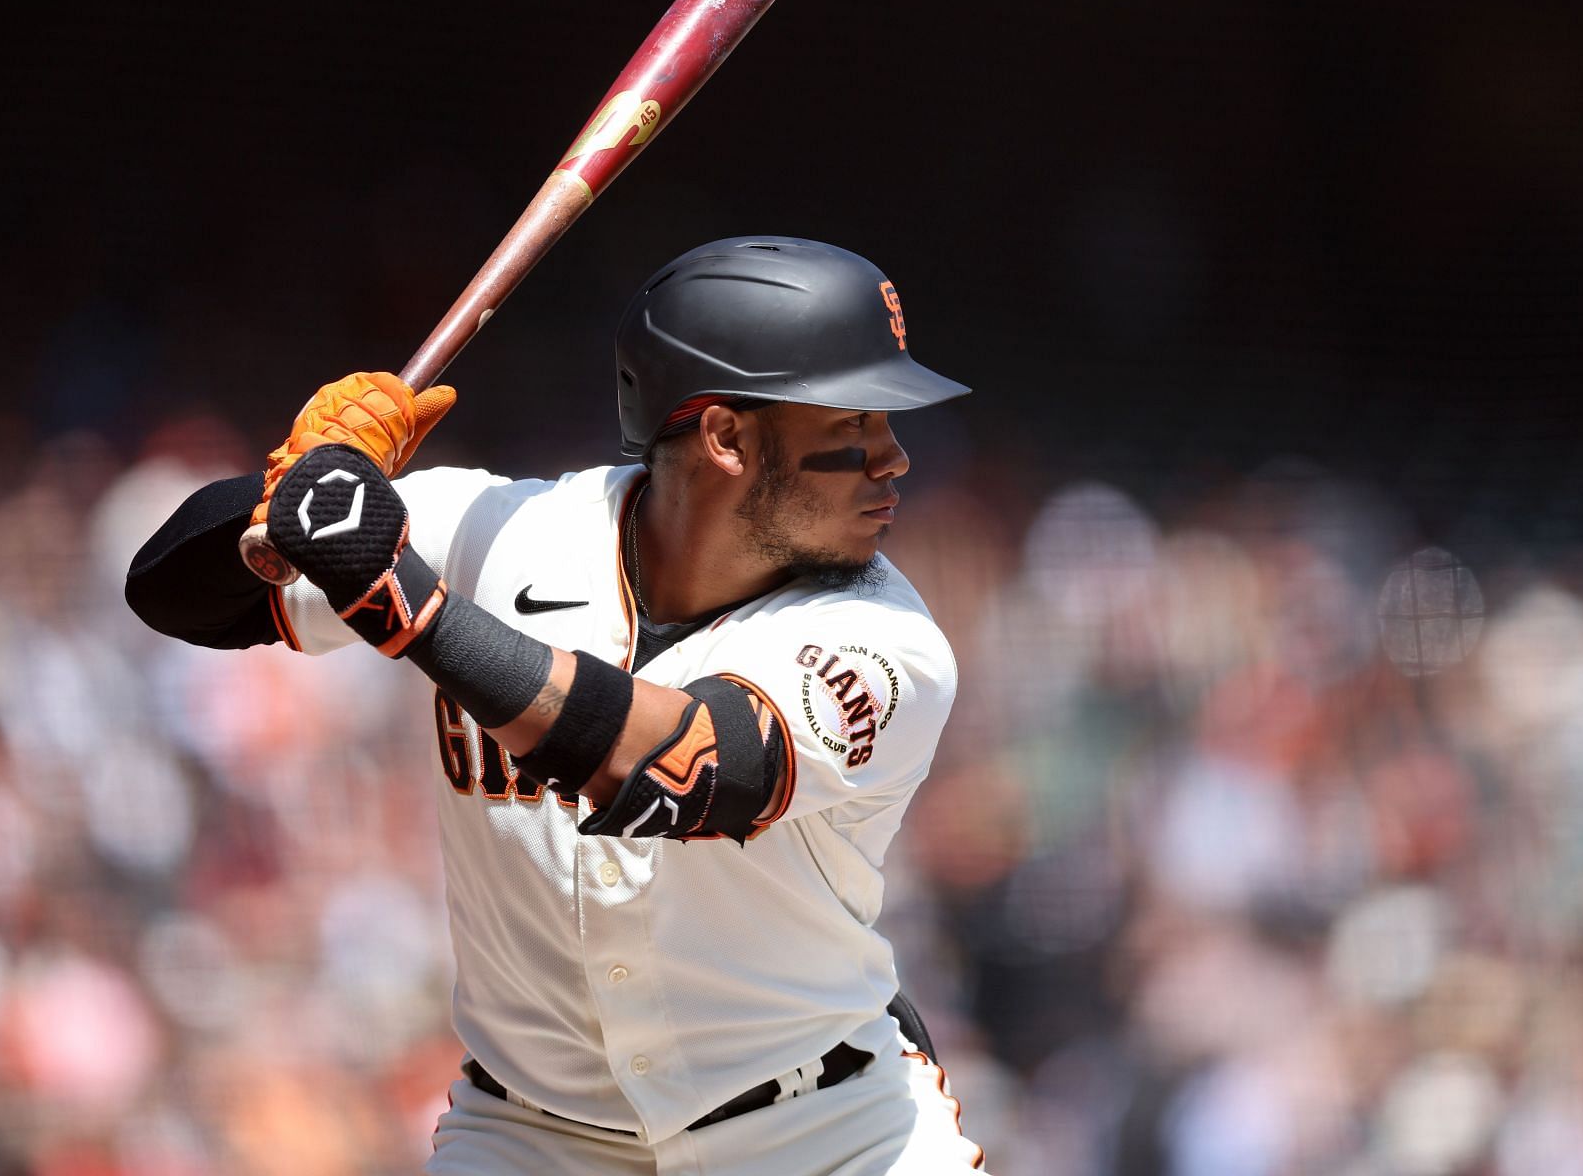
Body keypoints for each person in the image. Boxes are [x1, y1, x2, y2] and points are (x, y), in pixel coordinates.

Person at [127, 235, 986, 1173]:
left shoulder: (886, 637)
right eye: (854, 426)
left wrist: (410, 608)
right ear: (726, 437)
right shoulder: (502, 533)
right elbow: (171, 591)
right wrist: (286, 495)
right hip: (532, 1137)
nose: (895, 459)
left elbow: (679, 768)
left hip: (823, 1134)